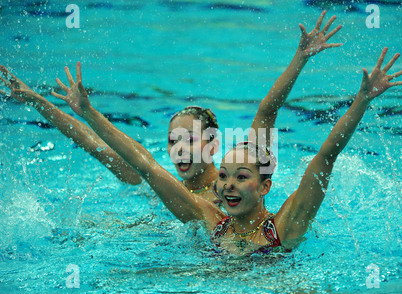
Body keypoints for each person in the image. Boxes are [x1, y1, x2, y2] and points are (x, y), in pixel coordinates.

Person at [39, 47, 402, 256]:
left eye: (241, 177)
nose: (227, 186)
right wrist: (87, 112)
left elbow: (325, 156)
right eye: (226, 177)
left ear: (265, 186)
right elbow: (145, 164)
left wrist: (361, 100)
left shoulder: (286, 225)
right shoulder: (210, 220)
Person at [0, 11, 343, 204]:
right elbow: (92, 144)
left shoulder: (241, 182)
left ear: (212, 146)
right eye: (173, 142)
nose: (179, 150)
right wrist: (37, 100)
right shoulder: (154, 181)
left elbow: (267, 112)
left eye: (189, 141)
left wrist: (300, 59)